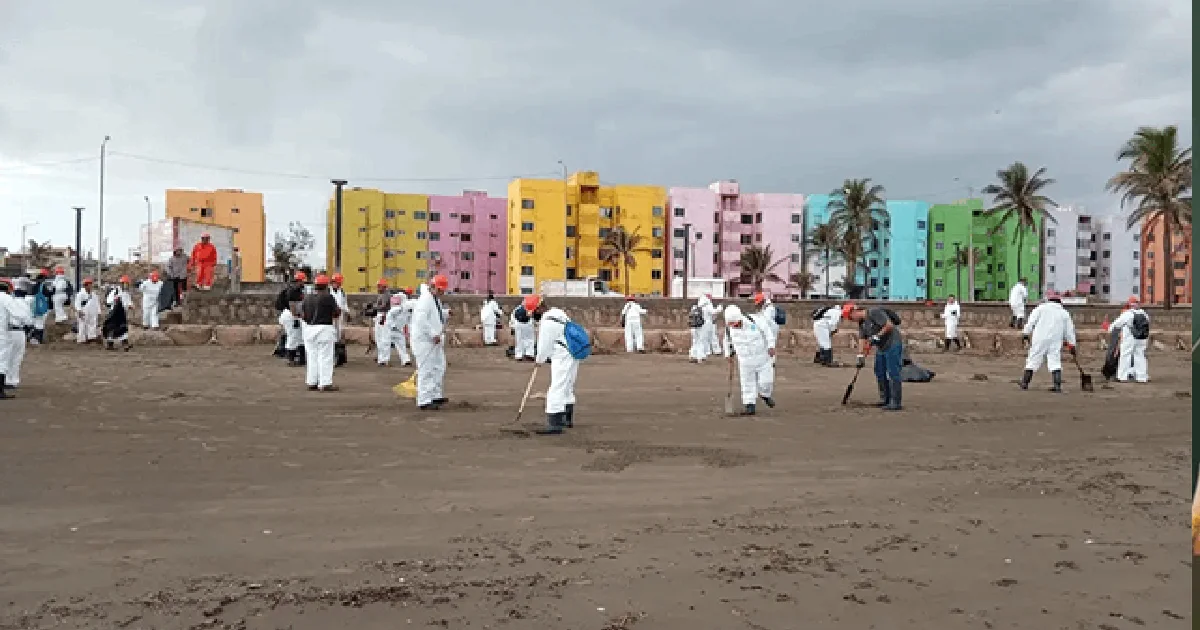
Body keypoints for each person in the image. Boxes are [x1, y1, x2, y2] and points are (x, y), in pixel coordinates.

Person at [530, 294, 580, 435]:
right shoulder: (559, 313)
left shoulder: (547, 323)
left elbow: (544, 346)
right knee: (567, 384)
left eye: (533, 312)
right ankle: (567, 419)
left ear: (538, 309)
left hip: (561, 355)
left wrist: (539, 360)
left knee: (556, 387)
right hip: (572, 352)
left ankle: (555, 423)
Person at [846, 304, 904, 411]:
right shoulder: (862, 323)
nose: (851, 320)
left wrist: (877, 336)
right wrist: (860, 356)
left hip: (892, 344)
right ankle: (885, 399)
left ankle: (895, 401)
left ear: (854, 311)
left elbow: (889, 325)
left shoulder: (874, 312)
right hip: (881, 347)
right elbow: (862, 339)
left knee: (893, 371)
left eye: (850, 317)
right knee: (879, 371)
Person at [722, 304, 776, 416]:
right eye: (731, 324)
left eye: (735, 323)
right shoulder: (729, 330)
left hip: (762, 358)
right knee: (747, 384)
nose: (733, 326)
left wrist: (771, 346)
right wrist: (728, 354)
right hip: (745, 361)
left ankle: (765, 394)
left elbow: (768, 332)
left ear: (739, 318)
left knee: (766, 382)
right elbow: (726, 342)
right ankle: (749, 405)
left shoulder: (755, 320)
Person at [1020, 291, 1077, 392]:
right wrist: (1072, 345)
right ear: (1059, 301)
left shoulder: (1040, 309)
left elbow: (1031, 322)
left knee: (1033, 359)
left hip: (1039, 338)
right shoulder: (1064, 313)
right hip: (1055, 340)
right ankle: (1057, 385)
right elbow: (1069, 331)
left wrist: (1025, 334)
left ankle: (1025, 383)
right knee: (1054, 361)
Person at [410, 275, 450, 410]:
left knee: (439, 366)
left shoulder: (434, 299)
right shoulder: (425, 300)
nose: (441, 293)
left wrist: (446, 313)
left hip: (434, 340)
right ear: (433, 287)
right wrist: (433, 334)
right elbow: (421, 320)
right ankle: (424, 399)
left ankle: (435, 394)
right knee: (426, 369)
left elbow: (434, 315)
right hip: (425, 341)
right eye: (440, 290)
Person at [301, 274, 341, 392]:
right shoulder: (328, 297)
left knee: (312, 356)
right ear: (326, 285)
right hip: (324, 328)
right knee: (325, 357)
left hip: (309, 329)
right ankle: (325, 383)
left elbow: (303, 315)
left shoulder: (307, 298)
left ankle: (312, 381)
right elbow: (336, 312)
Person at [1, 278, 32, 393]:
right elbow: (26, 319)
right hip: (16, 331)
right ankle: (11, 381)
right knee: (15, 358)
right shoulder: (13, 301)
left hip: (6, 330)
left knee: (5, 358)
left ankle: (6, 381)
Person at [1110, 296, 1150, 383]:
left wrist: (1111, 330)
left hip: (1130, 338)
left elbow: (1116, 324)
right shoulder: (1144, 314)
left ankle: (1122, 376)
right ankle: (1142, 377)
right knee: (1140, 356)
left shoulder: (1128, 314)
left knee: (1125, 356)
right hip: (1142, 338)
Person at [277, 271, 307, 365]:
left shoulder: (296, 290)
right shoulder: (293, 291)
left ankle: (301, 358)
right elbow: (292, 306)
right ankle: (291, 359)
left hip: (293, 315)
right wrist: (297, 317)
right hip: (290, 315)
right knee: (293, 336)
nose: (304, 283)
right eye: (303, 281)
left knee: (300, 336)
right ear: (299, 281)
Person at [380, 293, 413, 366]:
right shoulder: (397, 309)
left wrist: (409, 331)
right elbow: (389, 317)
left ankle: (405, 360)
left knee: (401, 345)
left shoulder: (408, 312)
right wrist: (392, 325)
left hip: (399, 330)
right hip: (389, 329)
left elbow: (409, 322)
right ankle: (383, 360)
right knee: (385, 344)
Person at [103, 276, 133, 351]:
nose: (126, 285)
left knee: (123, 328)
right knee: (111, 328)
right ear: (122, 284)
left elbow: (129, 303)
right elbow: (108, 301)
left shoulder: (126, 293)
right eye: (125, 284)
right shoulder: (115, 292)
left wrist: (130, 306)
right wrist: (115, 300)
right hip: (114, 314)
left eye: (127, 284)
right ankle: (110, 344)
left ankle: (125, 344)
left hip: (122, 314)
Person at [811, 302, 843, 367]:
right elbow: (832, 324)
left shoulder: (831, 310)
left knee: (822, 343)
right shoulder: (837, 312)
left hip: (818, 325)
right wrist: (833, 330)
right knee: (826, 344)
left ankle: (820, 358)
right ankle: (828, 361)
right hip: (822, 327)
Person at [690, 294, 717, 362]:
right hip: (703, 326)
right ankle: (700, 357)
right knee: (702, 341)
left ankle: (693, 355)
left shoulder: (695, 307)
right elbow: (713, 312)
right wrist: (720, 308)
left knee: (695, 341)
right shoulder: (708, 306)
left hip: (695, 326)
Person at [74, 278, 100, 344]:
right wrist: (79, 311)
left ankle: (91, 337)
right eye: (89, 285)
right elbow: (77, 303)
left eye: (91, 285)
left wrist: (98, 312)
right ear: (85, 285)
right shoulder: (80, 294)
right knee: (82, 325)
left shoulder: (94, 295)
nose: (90, 286)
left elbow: (97, 303)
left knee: (92, 324)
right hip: (83, 311)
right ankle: (81, 339)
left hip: (92, 311)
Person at [28, 269, 51, 344]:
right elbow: (48, 294)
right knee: (40, 323)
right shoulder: (42, 286)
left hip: (33, 306)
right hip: (40, 307)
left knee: (35, 322)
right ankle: (38, 339)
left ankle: (32, 337)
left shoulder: (33, 286)